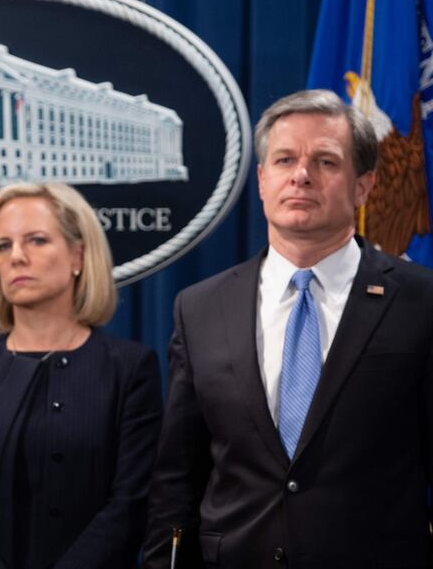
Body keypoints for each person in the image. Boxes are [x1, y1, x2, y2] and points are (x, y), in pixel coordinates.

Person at [143, 89, 433, 568]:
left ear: (363, 186)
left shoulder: (420, 302)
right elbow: (177, 478)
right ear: (262, 180)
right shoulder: (200, 309)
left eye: (325, 161)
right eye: (284, 160)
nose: (301, 175)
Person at [0, 182, 162, 568]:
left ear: (78, 255)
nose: (17, 257)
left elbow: (130, 503)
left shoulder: (129, 368)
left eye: (37, 240)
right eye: (3, 246)